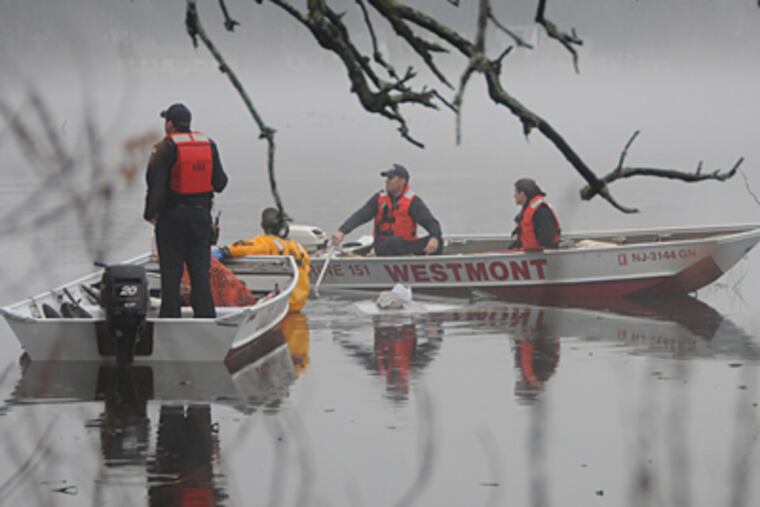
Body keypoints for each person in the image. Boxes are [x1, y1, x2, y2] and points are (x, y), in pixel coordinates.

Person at [144, 103, 228, 318]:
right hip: (200, 219)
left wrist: (150, 215)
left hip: (172, 220)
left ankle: (171, 325)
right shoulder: (209, 145)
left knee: (171, 276)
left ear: (170, 124)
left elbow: (156, 188)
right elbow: (220, 183)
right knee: (200, 274)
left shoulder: (164, 148)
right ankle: (207, 322)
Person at [330, 164, 443, 256]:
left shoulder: (413, 201)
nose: (386, 181)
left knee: (439, 241)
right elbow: (361, 215)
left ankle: (432, 273)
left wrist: (434, 237)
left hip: (405, 245)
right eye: (386, 178)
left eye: (390, 178)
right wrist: (342, 231)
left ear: (401, 182)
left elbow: (431, 222)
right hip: (383, 246)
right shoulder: (379, 199)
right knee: (394, 241)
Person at [216, 207, 311, 312]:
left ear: (261, 226)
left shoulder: (265, 243)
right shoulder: (299, 248)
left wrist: (223, 251)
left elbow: (242, 248)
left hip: (277, 308)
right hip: (297, 307)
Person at [510, 178, 561, 251]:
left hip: (540, 256)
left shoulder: (540, 210)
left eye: (516, 192)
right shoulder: (528, 209)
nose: (514, 195)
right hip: (529, 255)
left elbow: (547, 237)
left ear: (522, 193)